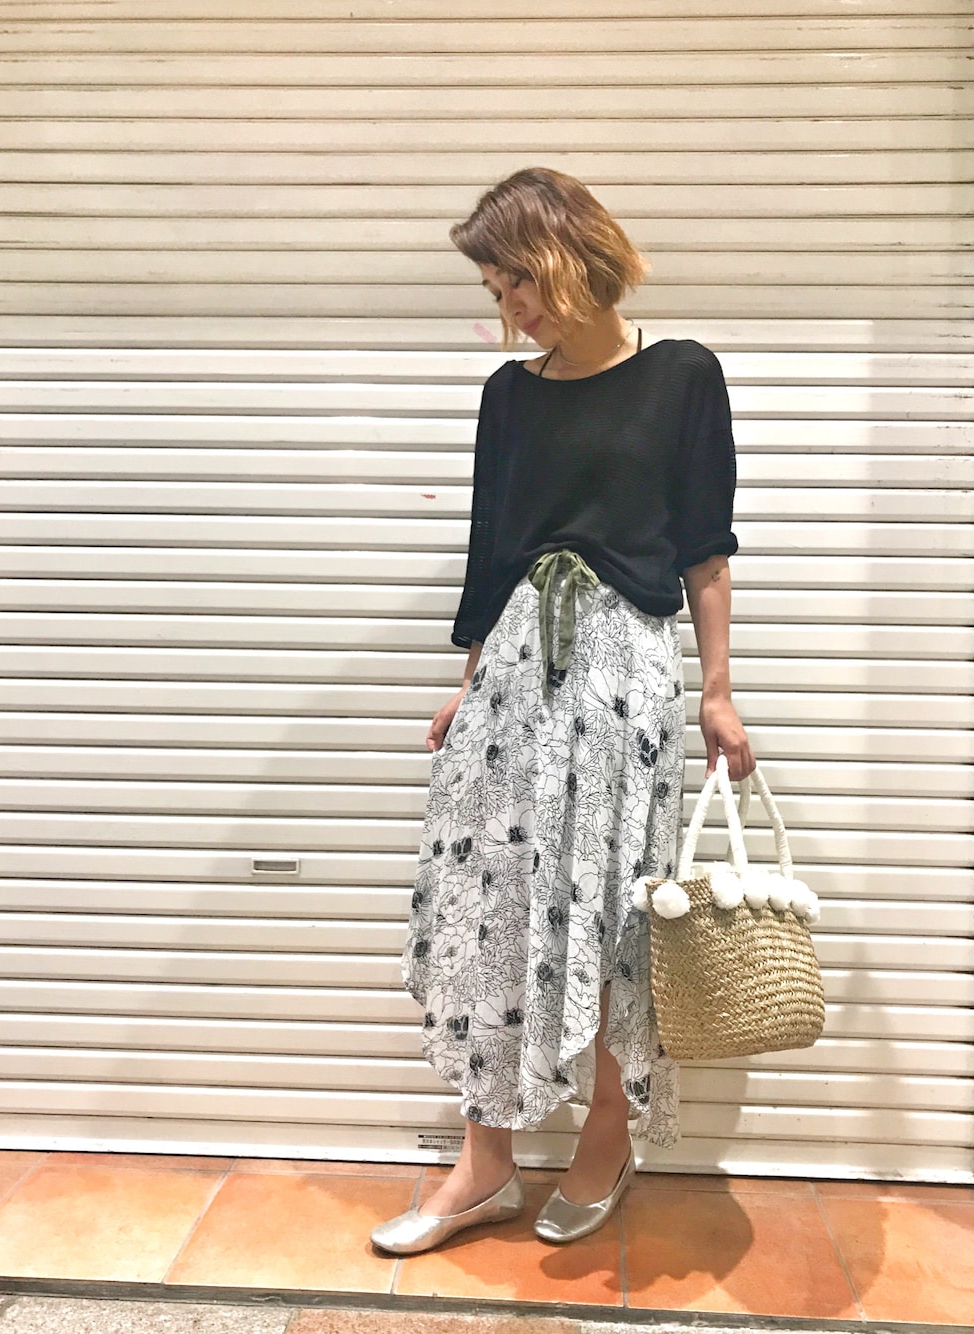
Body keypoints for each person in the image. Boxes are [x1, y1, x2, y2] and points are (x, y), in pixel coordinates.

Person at [370, 166, 756, 1256]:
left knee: (614, 912)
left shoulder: (682, 376)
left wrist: (717, 691)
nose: (511, 307)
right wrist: (468, 683)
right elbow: (490, 552)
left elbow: (705, 550)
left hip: (622, 672)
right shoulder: (508, 394)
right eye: (495, 289)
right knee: (486, 904)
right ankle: (484, 1165)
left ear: (574, 257)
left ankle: (604, 1141)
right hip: (513, 671)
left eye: (519, 282)